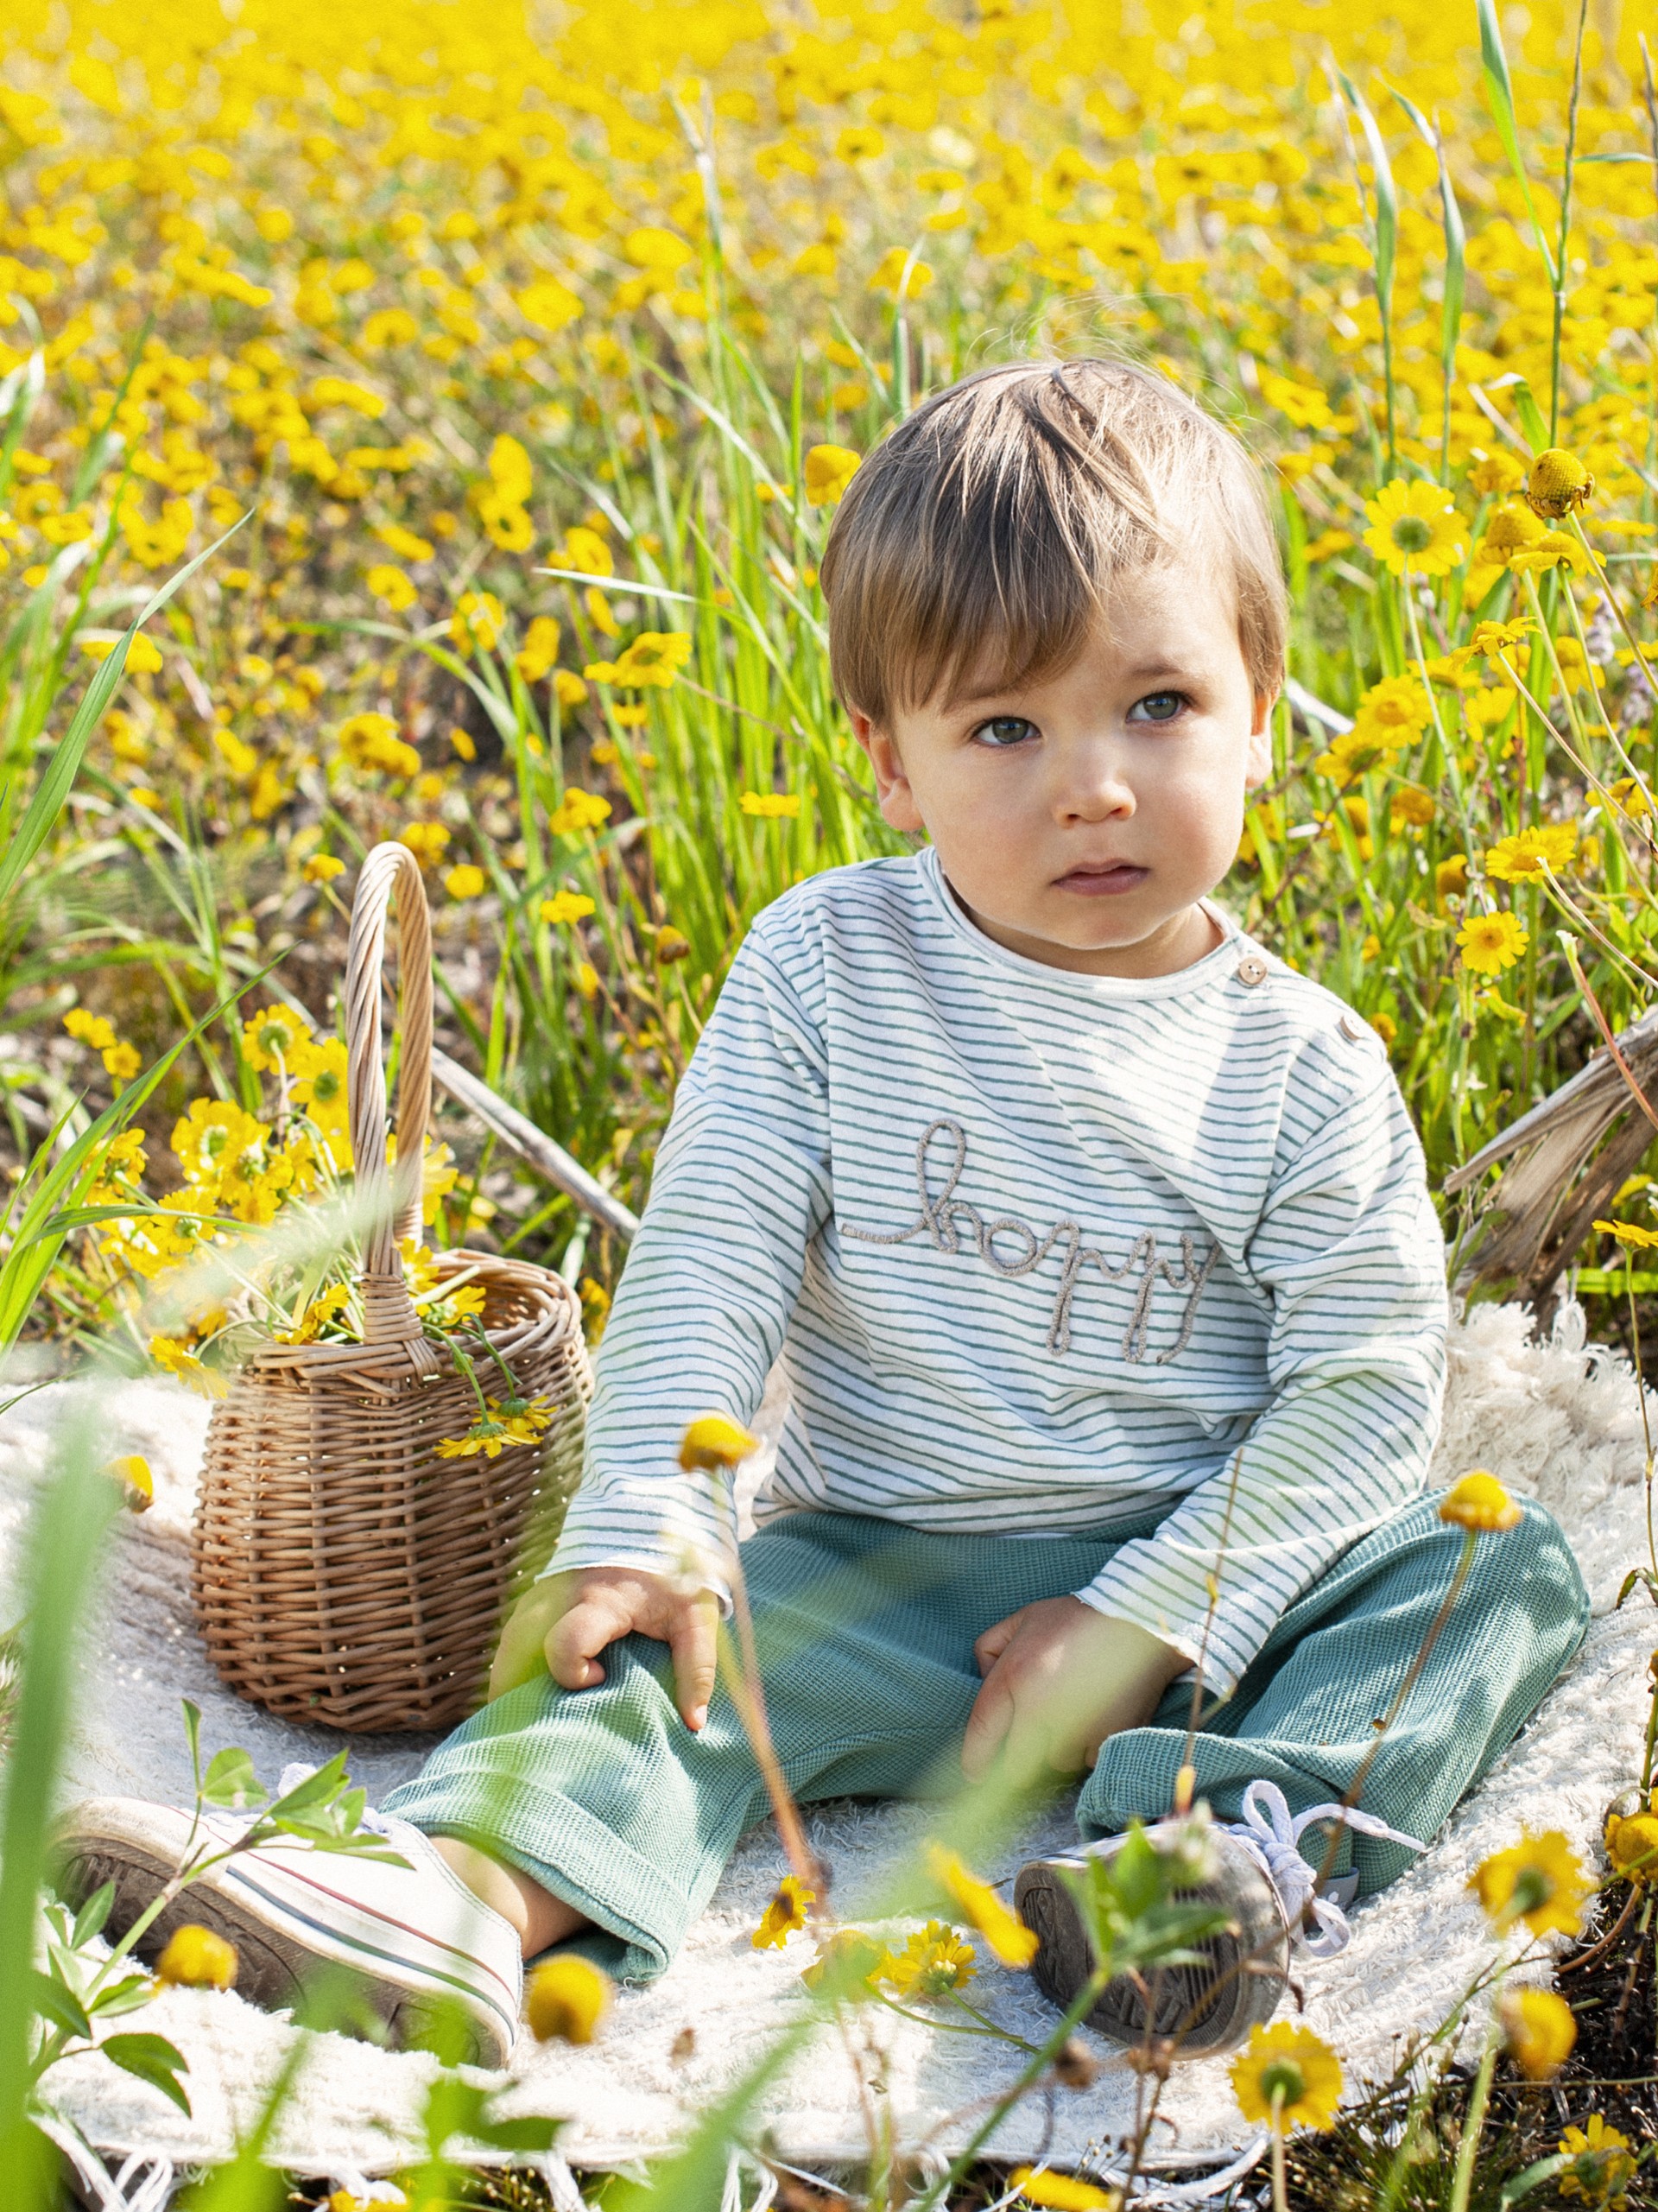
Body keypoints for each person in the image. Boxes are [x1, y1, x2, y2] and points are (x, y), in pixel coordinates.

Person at [59, 359, 1587, 2069]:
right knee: (652, 1659)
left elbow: (1367, 1393)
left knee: (1500, 1574)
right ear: (891, 763)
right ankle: (460, 1910)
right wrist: (647, 1522)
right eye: (1006, 727)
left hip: (1213, 1597)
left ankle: (1211, 1872)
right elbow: (709, 1254)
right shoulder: (829, 970)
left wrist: (1149, 1617)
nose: (1092, 784)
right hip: (891, 1572)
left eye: (1156, 706)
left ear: (1261, 703)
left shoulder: (1303, 1065)